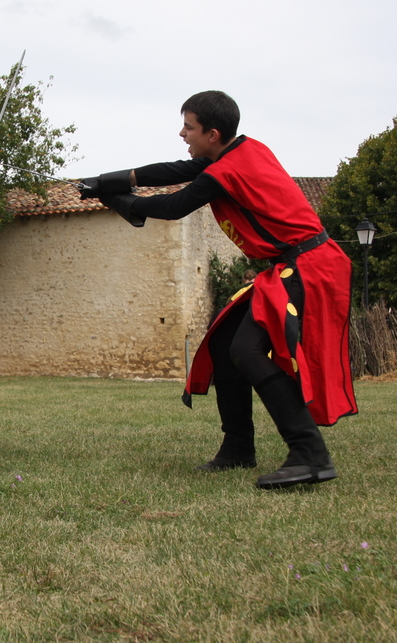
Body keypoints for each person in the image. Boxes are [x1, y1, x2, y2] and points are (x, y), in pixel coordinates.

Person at [80, 90, 358, 489]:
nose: (182, 134)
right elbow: (175, 170)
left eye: (188, 127)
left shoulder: (227, 170)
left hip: (310, 266)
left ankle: (310, 455)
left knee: (246, 349)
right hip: (296, 263)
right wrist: (109, 181)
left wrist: (124, 202)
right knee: (227, 343)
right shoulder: (241, 151)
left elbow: (176, 205)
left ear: (212, 134)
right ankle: (238, 447)